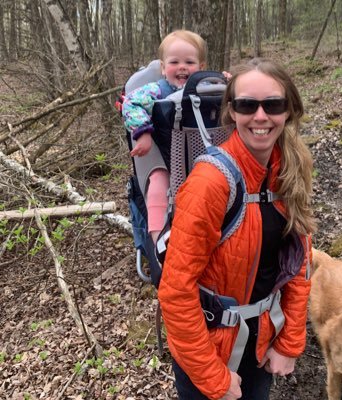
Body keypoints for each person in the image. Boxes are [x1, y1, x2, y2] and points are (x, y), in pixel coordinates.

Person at [158, 59, 317, 400]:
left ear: (289, 110)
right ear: (232, 111)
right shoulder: (210, 183)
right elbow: (176, 290)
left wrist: (290, 342)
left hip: (260, 341)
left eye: (273, 105)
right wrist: (214, 378)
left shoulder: (290, 168)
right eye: (247, 105)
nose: (261, 117)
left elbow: (299, 264)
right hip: (208, 346)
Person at [122, 30, 207, 244]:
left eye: (190, 62)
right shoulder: (157, 91)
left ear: (202, 68)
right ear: (162, 68)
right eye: (174, 62)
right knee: (158, 186)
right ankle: (160, 241)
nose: (182, 67)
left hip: (201, 158)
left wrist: (228, 81)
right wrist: (143, 133)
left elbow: (231, 94)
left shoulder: (206, 87)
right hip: (165, 157)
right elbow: (131, 103)